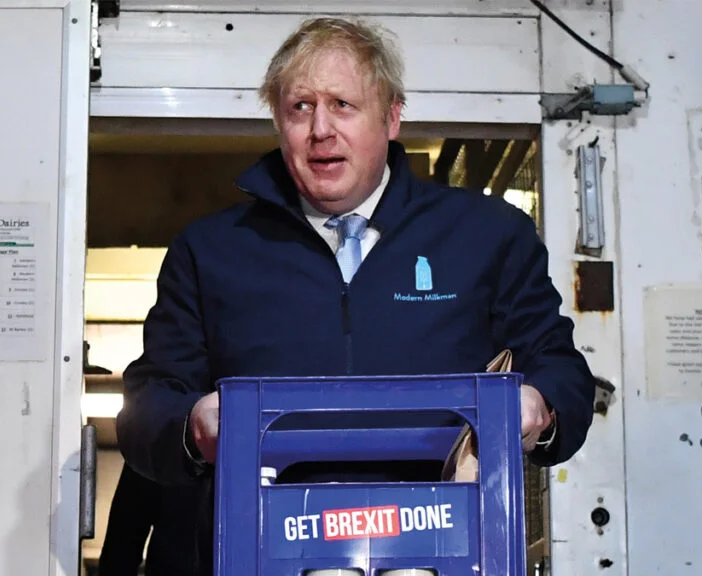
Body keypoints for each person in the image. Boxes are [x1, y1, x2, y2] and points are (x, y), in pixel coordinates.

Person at [117, 16, 596, 576]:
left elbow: (563, 370)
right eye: (300, 107)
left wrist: (539, 406)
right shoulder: (211, 250)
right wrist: (194, 425)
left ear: (392, 116)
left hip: (444, 554)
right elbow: (148, 404)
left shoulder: (488, 236)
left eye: (343, 104)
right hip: (260, 554)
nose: (321, 129)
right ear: (278, 119)